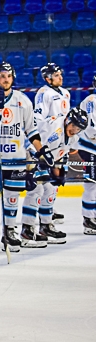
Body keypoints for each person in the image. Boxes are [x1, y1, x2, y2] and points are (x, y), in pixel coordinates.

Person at [0, 62, 43, 252]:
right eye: (1, 76)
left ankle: (10, 230)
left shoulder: (23, 101)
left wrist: (40, 151)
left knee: (12, 197)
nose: (5, 80)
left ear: (12, 78)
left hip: (16, 159)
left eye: (8, 76)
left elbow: (31, 129)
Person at [20, 108, 87, 245]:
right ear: (68, 121)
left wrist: (59, 170)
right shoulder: (55, 131)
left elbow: (60, 153)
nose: (74, 130)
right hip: (30, 154)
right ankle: (27, 230)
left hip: (43, 159)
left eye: (78, 128)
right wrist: (30, 169)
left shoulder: (73, 136)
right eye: (73, 126)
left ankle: (45, 226)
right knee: (36, 190)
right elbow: (35, 147)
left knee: (50, 189)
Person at [34, 63, 71, 225]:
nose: (60, 77)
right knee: (45, 177)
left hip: (62, 140)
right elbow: (39, 118)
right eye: (56, 75)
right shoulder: (44, 93)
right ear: (48, 78)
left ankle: (50, 207)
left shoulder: (66, 93)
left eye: (60, 74)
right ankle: (40, 207)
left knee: (58, 177)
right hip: (48, 140)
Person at [78, 76, 96, 235]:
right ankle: (89, 220)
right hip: (90, 147)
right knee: (92, 182)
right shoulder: (91, 100)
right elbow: (90, 128)